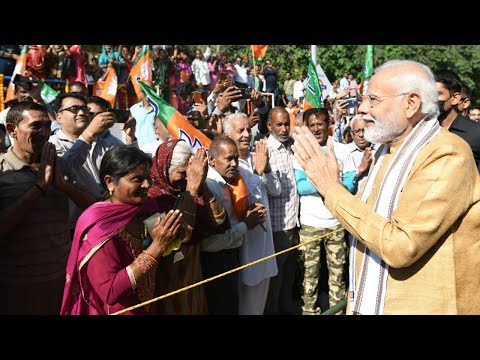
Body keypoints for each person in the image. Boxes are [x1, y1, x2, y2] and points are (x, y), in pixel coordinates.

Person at [291, 60, 480, 315]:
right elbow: (368, 216)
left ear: (411, 103)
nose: (362, 107)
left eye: (373, 99)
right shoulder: (385, 148)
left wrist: (330, 188)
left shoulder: (447, 154)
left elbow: (400, 245)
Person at [60, 145, 183, 315]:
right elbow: (109, 292)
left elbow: (170, 256)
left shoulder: (146, 208)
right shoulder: (100, 226)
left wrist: (173, 239)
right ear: (110, 182)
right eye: (137, 179)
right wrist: (157, 247)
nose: (147, 185)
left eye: (148, 177)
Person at [0, 101, 95, 314]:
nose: (44, 133)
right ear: (11, 130)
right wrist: (40, 187)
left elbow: (95, 210)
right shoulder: (2, 171)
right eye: (35, 126)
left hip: (61, 281)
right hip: (16, 288)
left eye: (46, 127)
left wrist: (64, 186)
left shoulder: (58, 165)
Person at [148, 139, 226, 315]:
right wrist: (192, 187)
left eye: (190, 172)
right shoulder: (152, 198)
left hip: (192, 273)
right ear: (164, 169)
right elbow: (182, 235)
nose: (187, 178)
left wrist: (201, 182)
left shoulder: (192, 186)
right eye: (182, 173)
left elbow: (219, 219)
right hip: (167, 277)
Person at [294, 108, 356, 315]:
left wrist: (327, 182)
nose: (316, 129)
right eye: (311, 125)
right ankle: (309, 311)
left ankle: (337, 311)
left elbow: (351, 182)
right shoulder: (301, 151)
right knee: (309, 275)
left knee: (337, 275)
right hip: (310, 224)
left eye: (319, 124)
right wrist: (332, 183)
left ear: (328, 123)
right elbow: (301, 186)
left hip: (336, 223)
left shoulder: (342, 150)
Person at [200, 135, 267, 314]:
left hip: (231, 256)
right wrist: (246, 224)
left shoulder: (230, 181)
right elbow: (211, 242)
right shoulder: (210, 187)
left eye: (236, 158)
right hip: (216, 261)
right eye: (228, 158)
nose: (234, 163)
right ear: (211, 160)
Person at [223, 113, 280, 315]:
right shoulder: (227, 165)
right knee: (244, 305)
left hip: (264, 243)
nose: (247, 134)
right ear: (227, 134)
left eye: (248, 129)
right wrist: (257, 173)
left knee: (259, 303)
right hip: (244, 244)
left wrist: (266, 167)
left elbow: (275, 190)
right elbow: (246, 202)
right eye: (240, 131)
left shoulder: (257, 156)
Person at [435, 69, 480, 171]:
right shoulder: (421, 131)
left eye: (437, 94)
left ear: (455, 98)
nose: (432, 99)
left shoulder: (476, 133)